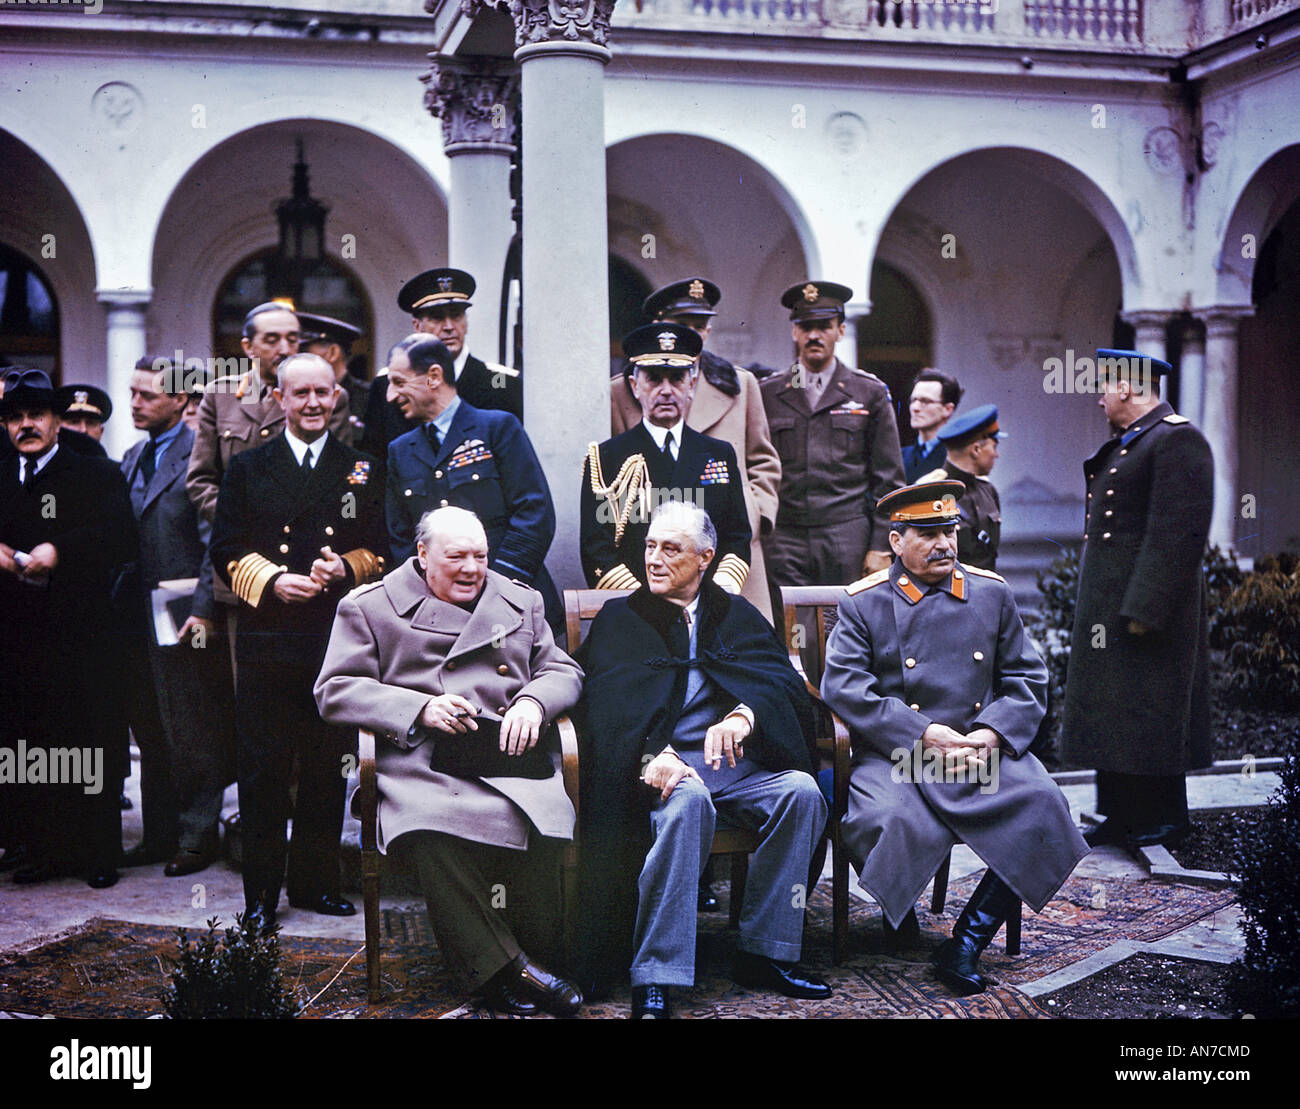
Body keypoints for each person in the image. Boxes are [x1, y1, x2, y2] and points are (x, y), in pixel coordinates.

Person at [314, 506, 584, 1016]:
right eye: (456, 556)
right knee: (432, 828)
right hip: (419, 761)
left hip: (505, 755)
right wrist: (419, 706)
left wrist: (533, 701)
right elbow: (334, 689)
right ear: (421, 555)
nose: (471, 569)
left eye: (480, 556)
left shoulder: (519, 599)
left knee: (536, 817)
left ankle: (518, 960)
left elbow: (564, 671)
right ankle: (513, 971)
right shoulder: (370, 606)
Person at [820, 481, 1088, 995]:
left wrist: (993, 731)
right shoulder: (864, 602)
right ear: (896, 542)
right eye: (928, 533)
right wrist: (920, 731)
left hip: (972, 749)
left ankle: (966, 940)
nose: (944, 543)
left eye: (949, 530)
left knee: (1042, 802)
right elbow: (845, 687)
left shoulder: (991, 593)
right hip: (897, 750)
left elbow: (1028, 678)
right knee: (886, 818)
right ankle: (899, 916)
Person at [576, 501, 830, 1018]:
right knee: (686, 802)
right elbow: (602, 700)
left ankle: (766, 951)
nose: (654, 559)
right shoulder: (620, 616)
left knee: (801, 791)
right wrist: (652, 752)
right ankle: (656, 974)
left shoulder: (738, 615)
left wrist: (744, 716)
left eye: (671, 549)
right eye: (649, 546)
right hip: (662, 769)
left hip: (735, 769)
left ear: (706, 558)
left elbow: (781, 684)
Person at [210, 353, 387, 930]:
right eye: (300, 393)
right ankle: (261, 896)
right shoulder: (248, 466)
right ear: (280, 399)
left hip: (334, 642)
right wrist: (270, 579)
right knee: (262, 771)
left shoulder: (361, 467)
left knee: (324, 765)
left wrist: (348, 569)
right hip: (267, 639)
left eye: (323, 392)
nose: (313, 403)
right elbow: (225, 546)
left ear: (337, 395)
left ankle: (315, 883)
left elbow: (382, 548)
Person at [1062, 349, 1215, 850]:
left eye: (1104, 387)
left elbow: (1178, 532)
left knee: (1154, 709)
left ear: (1127, 387)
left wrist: (1148, 607)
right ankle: (1120, 812)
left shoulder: (1177, 439)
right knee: (1114, 708)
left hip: (1145, 607)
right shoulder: (1132, 444)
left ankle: (1165, 815)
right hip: (1110, 603)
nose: (1101, 398)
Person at [0, 368, 136, 887]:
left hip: (81, 633)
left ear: (58, 422)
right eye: (16, 418)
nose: (26, 426)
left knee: (88, 739)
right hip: (16, 634)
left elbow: (120, 537)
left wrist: (60, 551)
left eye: (36, 416)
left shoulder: (94, 473)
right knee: (29, 743)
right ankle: (40, 848)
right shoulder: (1, 472)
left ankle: (98, 852)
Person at [117, 357, 235, 876]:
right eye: (133, 392)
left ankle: (196, 834)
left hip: (184, 613)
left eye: (148, 394)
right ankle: (159, 833)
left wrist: (206, 611)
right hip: (136, 615)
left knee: (191, 726)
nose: (136, 402)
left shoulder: (198, 459)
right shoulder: (133, 456)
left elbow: (216, 544)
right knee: (149, 726)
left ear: (183, 402)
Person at [611, 278, 782, 622]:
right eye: (683, 325)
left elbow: (763, 459)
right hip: (659, 545)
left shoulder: (739, 384)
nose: (695, 333)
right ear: (661, 326)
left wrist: (756, 514)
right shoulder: (622, 391)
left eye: (700, 325)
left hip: (730, 544)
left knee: (739, 638)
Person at [187, 302, 354, 638]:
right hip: (244, 567)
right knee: (250, 679)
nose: (284, 349)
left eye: (293, 339)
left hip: (311, 566)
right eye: (272, 339)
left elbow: (335, 479)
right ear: (247, 346)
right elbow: (201, 480)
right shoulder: (221, 395)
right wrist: (241, 523)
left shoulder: (324, 398)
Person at [383, 333, 561, 626]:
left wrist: (495, 588)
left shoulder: (498, 428)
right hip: (435, 617)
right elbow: (402, 539)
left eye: (399, 382)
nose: (390, 395)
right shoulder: (400, 451)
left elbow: (535, 515)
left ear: (433, 377)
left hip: (512, 606)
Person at [582, 323, 750, 598]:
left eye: (676, 379)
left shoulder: (719, 454)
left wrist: (717, 595)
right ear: (635, 386)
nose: (666, 390)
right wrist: (644, 604)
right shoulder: (607, 459)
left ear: (691, 385)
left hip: (707, 606)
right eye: (654, 379)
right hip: (637, 611)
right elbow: (596, 549)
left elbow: (737, 538)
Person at [761, 280, 906, 587]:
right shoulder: (769, 393)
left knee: (845, 626)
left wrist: (881, 544)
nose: (814, 335)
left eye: (824, 325)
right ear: (794, 331)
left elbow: (888, 477)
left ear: (841, 330)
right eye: (806, 326)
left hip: (847, 536)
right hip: (786, 537)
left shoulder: (869, 393)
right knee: (792, 628)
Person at [397, 267, 522, 420]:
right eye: (437, 317)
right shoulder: (391, 386)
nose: (449, 327)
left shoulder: (501, 382)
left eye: (456, 316)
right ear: (417, 326)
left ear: (466, 322)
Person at [921, 403, 1006, 571]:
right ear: (976, 450)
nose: (997, 454)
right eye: (994, 447)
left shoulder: (989, 491)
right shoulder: (929, 492)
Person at [298, 311, 369, 439]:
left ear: (332, 353)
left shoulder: (368, 397)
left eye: (304, 351)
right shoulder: (292, 396)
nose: (296, 357)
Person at [900, 370, 962, 483]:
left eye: (925, 401)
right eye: (913, 400)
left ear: (947, 409)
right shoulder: (900, 456)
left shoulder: (957, 458)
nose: (915, 407)